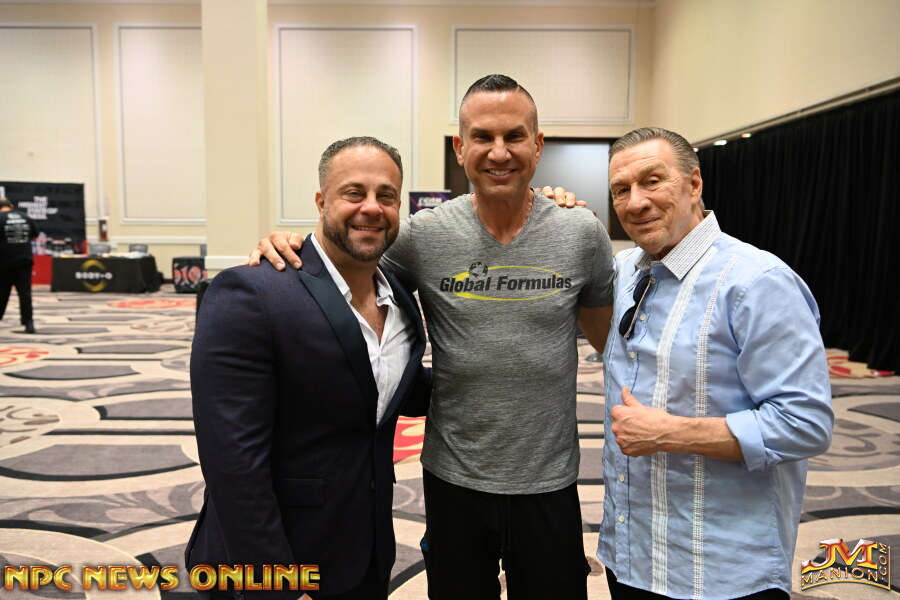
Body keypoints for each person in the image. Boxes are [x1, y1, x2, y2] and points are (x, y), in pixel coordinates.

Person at [250, 75, 615, 599]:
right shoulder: (423, 235)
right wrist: (289, 245)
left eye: (514, 136)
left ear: (538, 146)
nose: (499, 152)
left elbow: (610, 345)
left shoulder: (581, 233)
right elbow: (345, 267)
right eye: (482, 137)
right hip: (453, 477)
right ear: (460, 148)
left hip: (549, 479)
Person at [186, 137, 432, 600]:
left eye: (387, 195)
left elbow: (385, 387)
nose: (372, 207)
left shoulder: (399, 296)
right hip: (274, 561)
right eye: (354, 193)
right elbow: (233, 463)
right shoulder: (252, 293)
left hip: (365, 551)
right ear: (321, 201)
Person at [600, 127, 833, 599]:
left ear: (694, 184)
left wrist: (672, 433)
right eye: (621, 190)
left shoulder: (757, 282)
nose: (636, 202)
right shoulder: (626, 272)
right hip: (629, 555)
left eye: (652, 181)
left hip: (719, 571)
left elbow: (806, 423)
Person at [0, 197, 38, 334]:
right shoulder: (25, 217)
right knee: (25, 293)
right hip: (24, 261)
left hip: (4, 263)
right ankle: (29, 324)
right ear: (11, 206)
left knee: (2, 293)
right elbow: (34, 236)